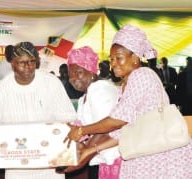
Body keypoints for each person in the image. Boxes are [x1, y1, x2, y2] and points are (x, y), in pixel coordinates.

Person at [62, 25, 192, 178]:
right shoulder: (126, 85)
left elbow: (118, 120)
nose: (114, 63)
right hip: (143, 154)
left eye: (119, 57)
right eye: (111, 59)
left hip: (160, 156)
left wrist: (81, 130)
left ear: (135, 58)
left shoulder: (142, 75)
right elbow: (121, 132)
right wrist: (89, 151)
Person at [0, 41, 77, 179]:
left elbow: (68, 119)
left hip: (51, 165)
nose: (28, 67)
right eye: (22, 62)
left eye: (32, 61)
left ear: (37, 62)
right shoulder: (0, 90)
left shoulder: (51, 83)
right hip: (16, 167)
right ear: (12, 64)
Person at [65, 46, 120, 179]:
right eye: (70, 74)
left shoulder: (99, 89)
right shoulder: (84, 96)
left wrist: (81, 159)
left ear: (91, 70)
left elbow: (106, 129)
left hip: (113, 159)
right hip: (102, 158)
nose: (73, 78)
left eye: (78, 72)